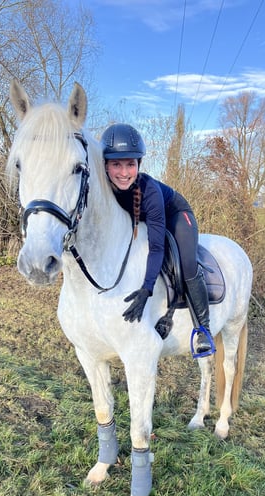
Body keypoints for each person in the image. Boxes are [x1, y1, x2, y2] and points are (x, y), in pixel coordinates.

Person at [100, 123, 213, 356]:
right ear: (105, 165)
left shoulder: (149, 191)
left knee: (188, 264)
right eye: (116, 164)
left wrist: (146, 289)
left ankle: (203, 329)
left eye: (130, 164)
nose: (123, 173)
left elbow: (157, 246)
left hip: (176, 215)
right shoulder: (105, 189)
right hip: (146, 218)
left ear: (138, 164)